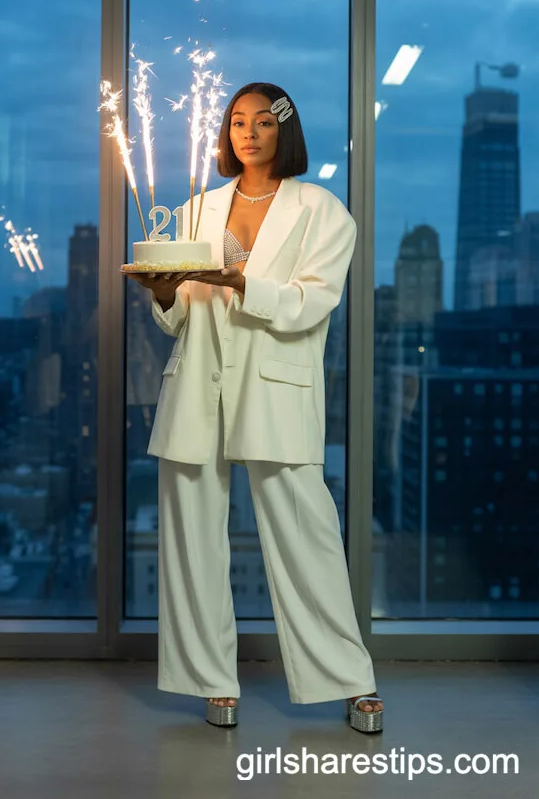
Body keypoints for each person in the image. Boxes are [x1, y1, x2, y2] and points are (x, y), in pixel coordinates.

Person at [126, 82, 384, 733]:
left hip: (276, 386)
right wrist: (162, 295)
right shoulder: (193, 211)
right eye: (237, 121)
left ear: (284, 132)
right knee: (190, 539)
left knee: (307, 536)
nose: (248, 131)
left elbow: (310, 302)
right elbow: (179, 316)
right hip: (197, 386)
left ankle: (349, 679)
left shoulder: (323, 211)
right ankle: (211, 680)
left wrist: (242, 281)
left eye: (263, 121)